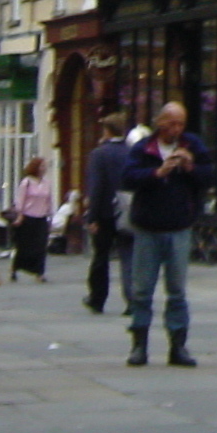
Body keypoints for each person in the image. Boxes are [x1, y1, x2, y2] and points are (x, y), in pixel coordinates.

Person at [122, 102, 217, 368]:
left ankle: (178, 346)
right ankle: (139, 345)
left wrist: (190, 167)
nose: (176, 129)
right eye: (172, 123)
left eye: (181, 124)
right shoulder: (143, 148)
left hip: (178, 226)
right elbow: (127, 178)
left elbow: (209, 177)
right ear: (160, 122)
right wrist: (157, 172)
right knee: (142, 290)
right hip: (147, 227)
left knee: (177, 290)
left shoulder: (192, 145)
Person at [83, 113, 132, 314]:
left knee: (101, 257)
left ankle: (98, 298)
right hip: (128, 210)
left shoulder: (99, 154)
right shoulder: (131, 152)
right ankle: (132, 299)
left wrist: (92, 217)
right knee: (128, 256)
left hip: (104, 213)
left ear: (107, 130)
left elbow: (96, 187)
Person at [10, 157, 54, 282]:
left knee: (40, 246)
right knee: (24, 246)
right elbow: (20, 200)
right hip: (28, 217)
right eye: (42, 166)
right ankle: (15, 268)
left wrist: (50, 215)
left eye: (45, 166)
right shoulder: (27, 182)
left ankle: (39, 273)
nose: (44, 169)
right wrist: (19, 215)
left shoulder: (46, 183)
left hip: (41, 217)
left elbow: (48, 199)